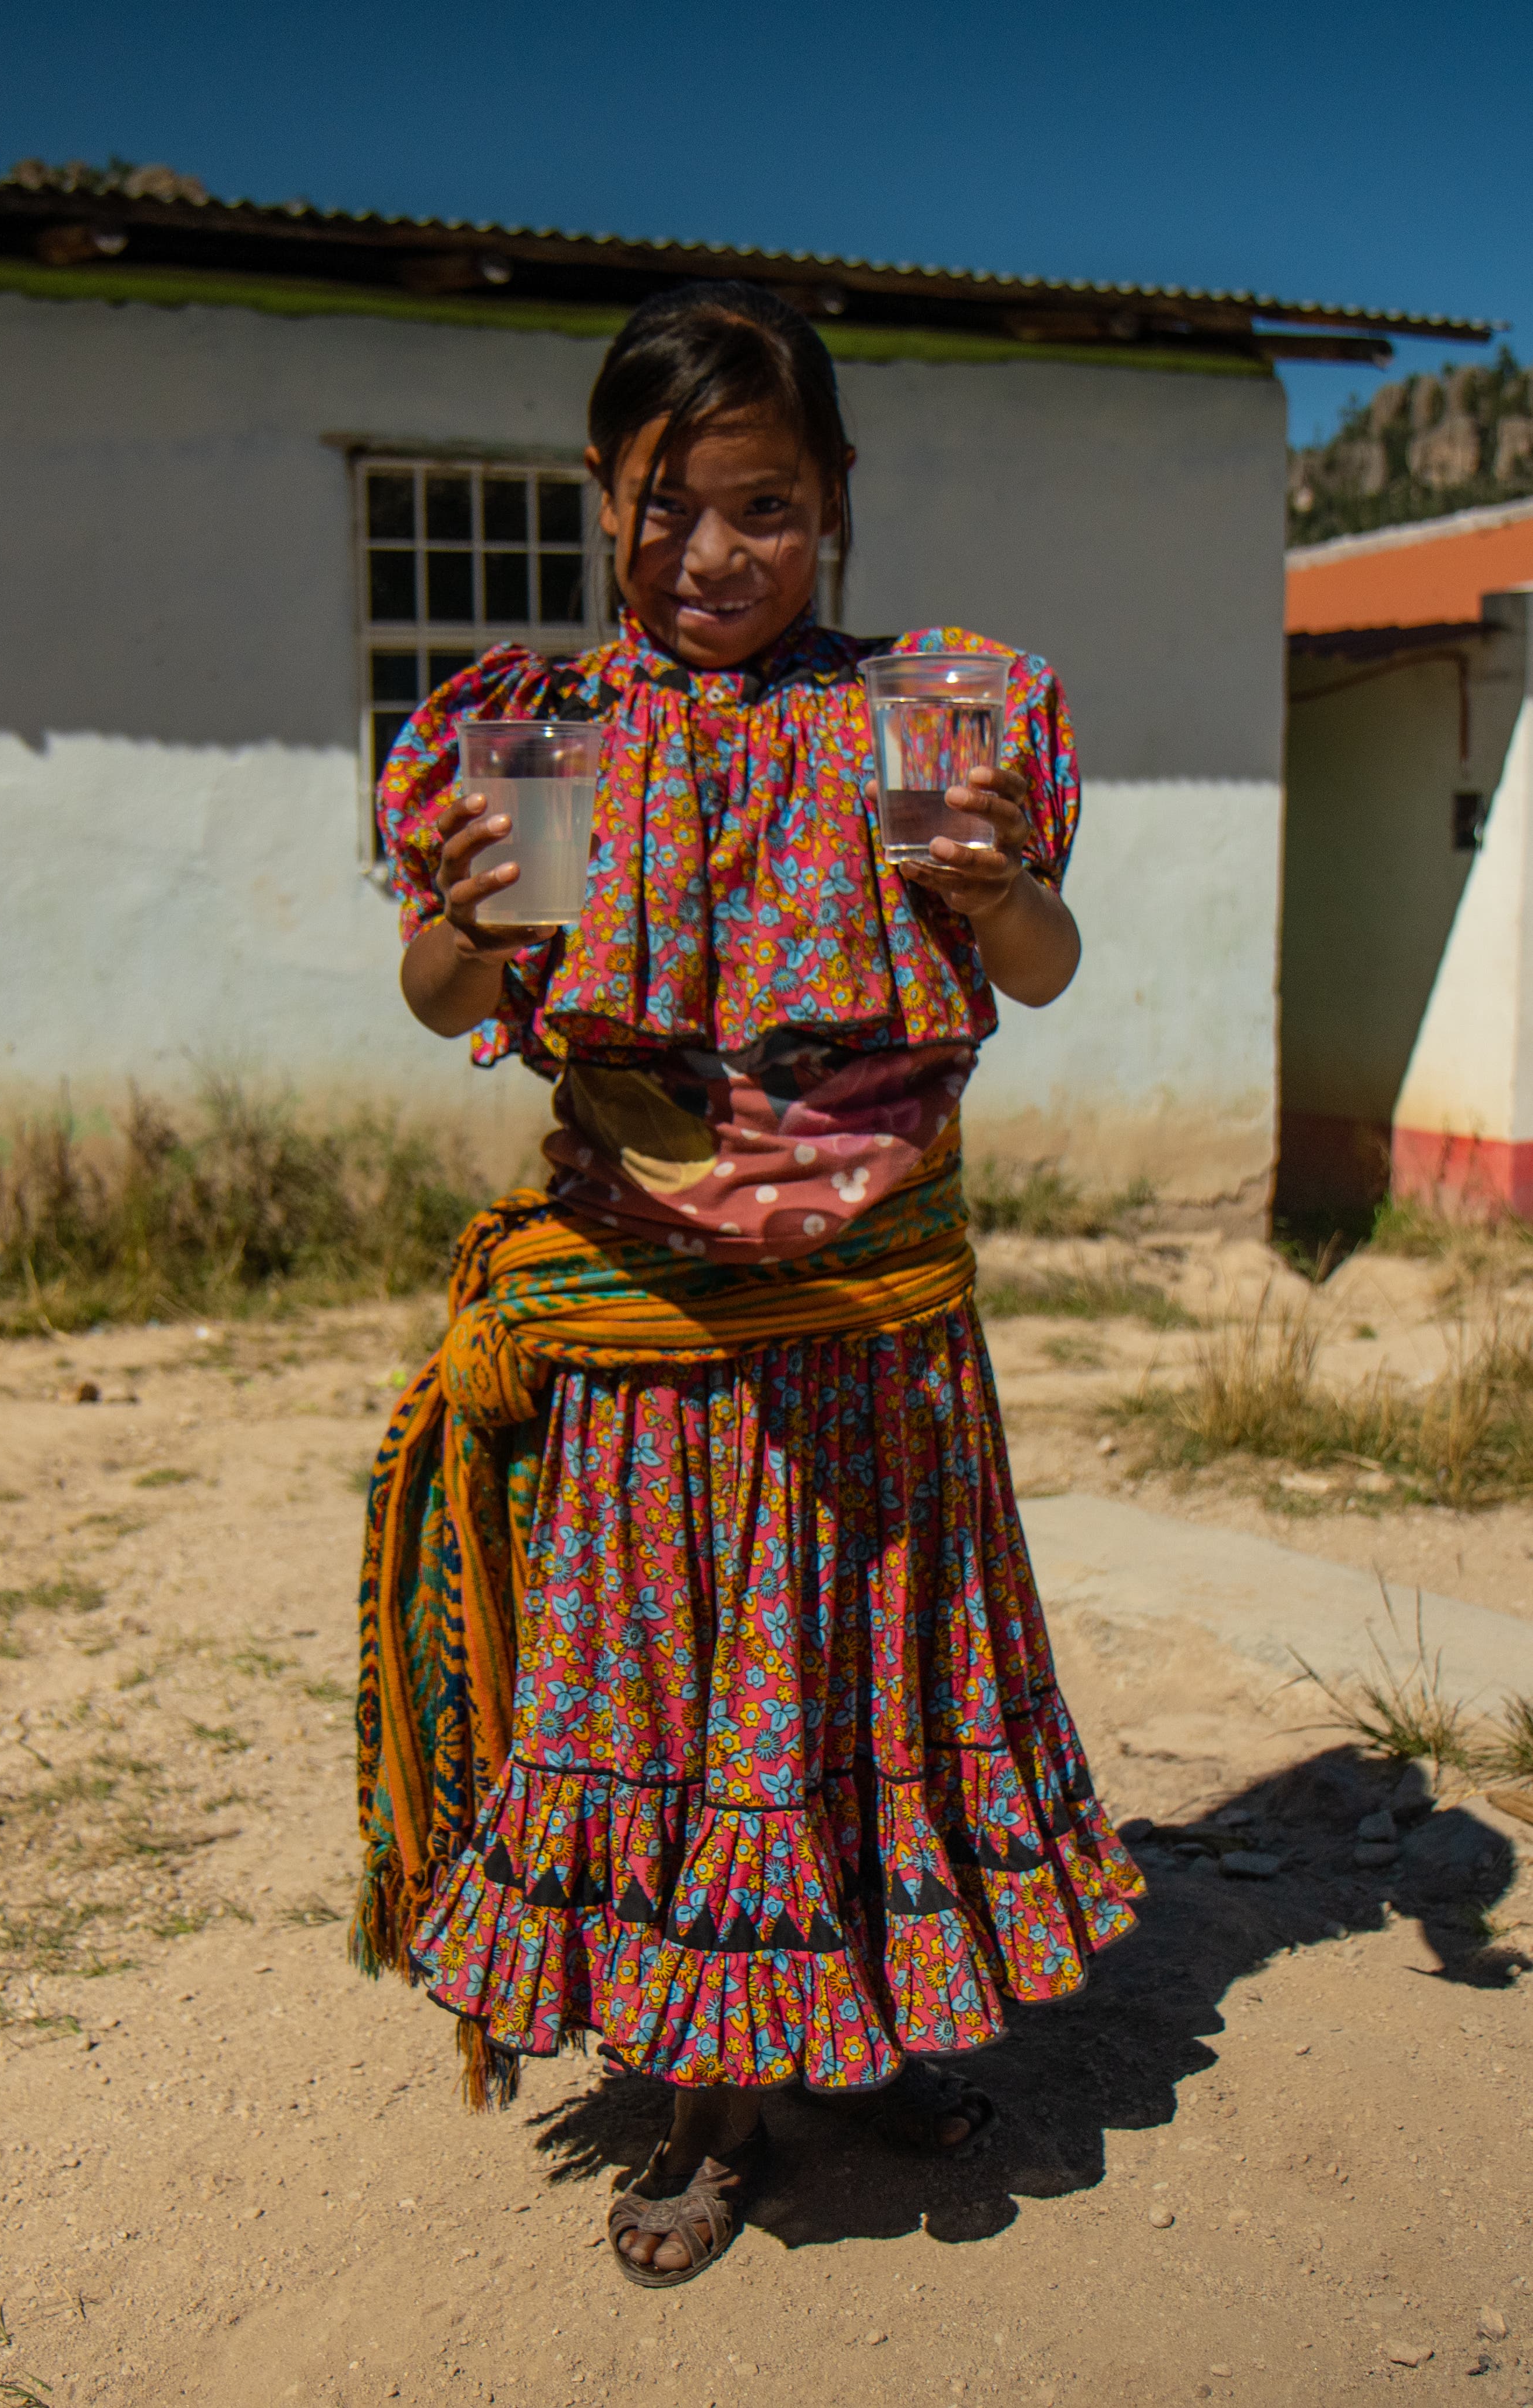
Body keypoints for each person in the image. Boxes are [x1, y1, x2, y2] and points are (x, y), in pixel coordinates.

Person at [354, 279, 1144, 2288]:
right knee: (696, 1702)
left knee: (865, 1686)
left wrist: (995, 890)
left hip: (872, 1345)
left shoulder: (930, 720)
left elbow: (1039, 973)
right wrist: (460, 917)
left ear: (840, 498)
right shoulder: (535, 741)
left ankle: (856, 2032)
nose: (716, 555)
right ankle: (710, 2105)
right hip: (658, 1352)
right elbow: (451, 990)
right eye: (669, 506)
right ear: (604, 495)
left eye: (767, 506)